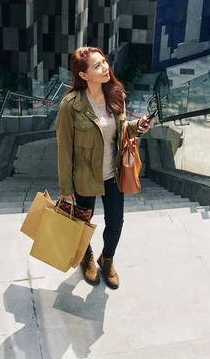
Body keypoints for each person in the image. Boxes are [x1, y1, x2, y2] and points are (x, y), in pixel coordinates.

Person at [56, 46, 152, 290]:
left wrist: (136, 126)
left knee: (116, 224)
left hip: (113, 175)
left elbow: (119, 131)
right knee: (82, 223)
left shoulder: (115, 94)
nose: (105, 68)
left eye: (104, 62)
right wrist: (66, 187)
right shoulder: (70, 106)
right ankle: (86, 256)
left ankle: (106, 258)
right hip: (84, 177)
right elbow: (64, 149)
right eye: (97, 66)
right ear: (83, 75)